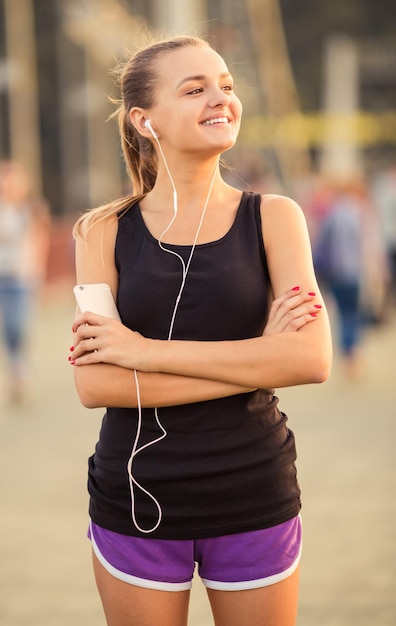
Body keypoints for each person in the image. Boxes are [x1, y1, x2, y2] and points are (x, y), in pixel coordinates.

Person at [69, 36, 332, 626]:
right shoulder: (100, 232)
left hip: (252, 490)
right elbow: (98, 387)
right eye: (195, 89)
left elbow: (311, 360)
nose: (221, 98)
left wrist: (143, 354)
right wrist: (262, 356)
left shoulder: (276, 217)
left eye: (226, 85)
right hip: (135, 498)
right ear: (144, 120)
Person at [0, 160, 50, 403]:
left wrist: (37, 272)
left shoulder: (32, 209)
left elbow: (41, 240)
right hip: (1, 276)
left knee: (19, 327)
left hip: (23, 277)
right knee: (7, 329)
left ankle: (21, 369)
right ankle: (16, 373)